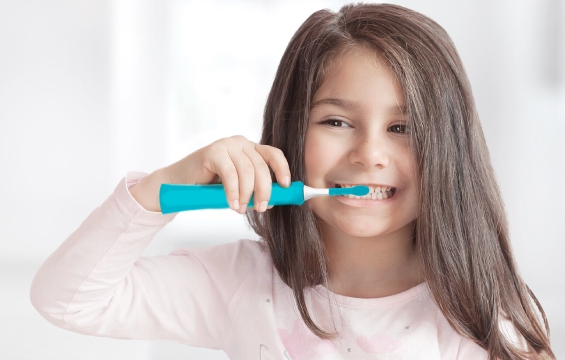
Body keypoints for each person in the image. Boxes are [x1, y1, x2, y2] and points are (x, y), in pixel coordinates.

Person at [30, 3, 554, 359]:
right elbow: (67, 299)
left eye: (402, 129)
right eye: (336, 122)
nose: (370, 154)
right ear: (288, 131)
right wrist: (164, 187)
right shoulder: (242, 282)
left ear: (450, 152)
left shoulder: (482, 316)